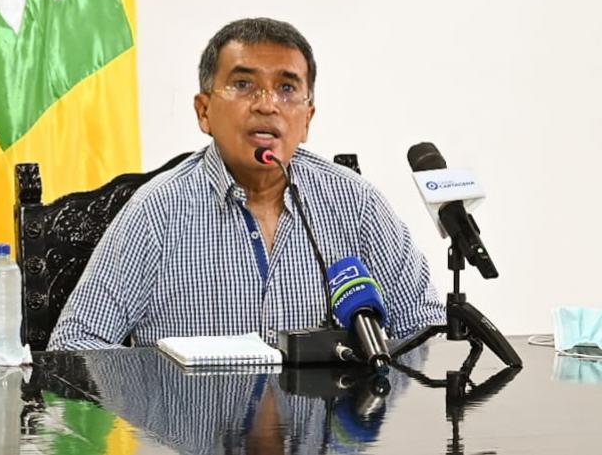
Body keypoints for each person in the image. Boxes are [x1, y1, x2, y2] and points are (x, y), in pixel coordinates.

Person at [49, 17, 444, 350]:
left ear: (307, 118)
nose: (267, 104)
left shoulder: (355, 204)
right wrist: (158, 399)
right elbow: (75, 343)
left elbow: (427, 332)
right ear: (204, 112)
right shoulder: (157, 211)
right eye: (243, 85)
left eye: (287, 88)